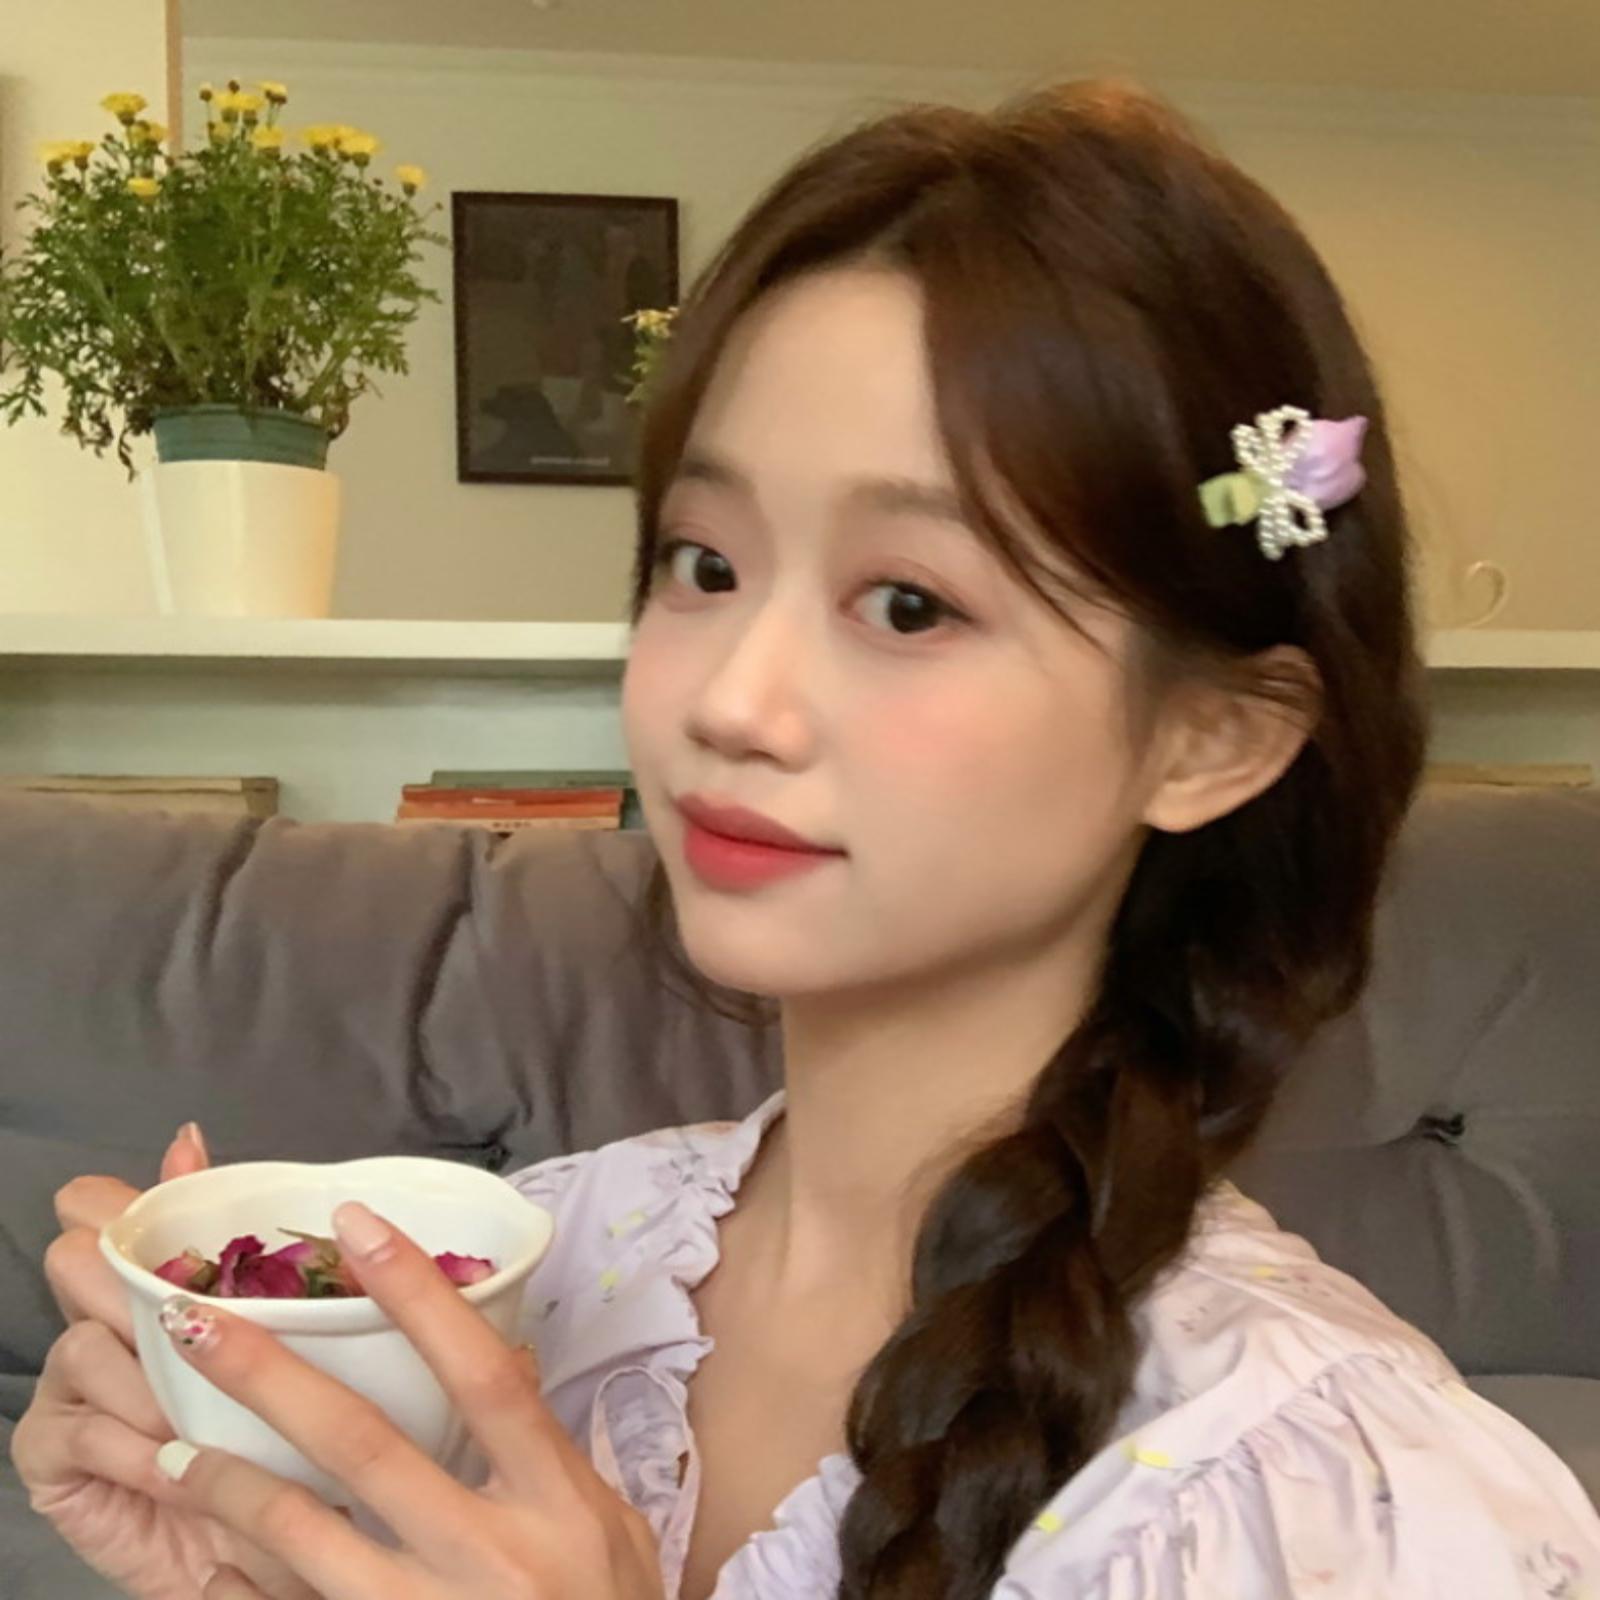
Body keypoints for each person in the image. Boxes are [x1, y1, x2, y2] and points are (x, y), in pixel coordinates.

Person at [15, 76, 1600, 1600]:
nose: (731, 700)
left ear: (1211, 735)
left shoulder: (1336, 1504)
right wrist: (246, 1563)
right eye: (703, 564)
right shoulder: (533, 1274)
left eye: (907, 603)